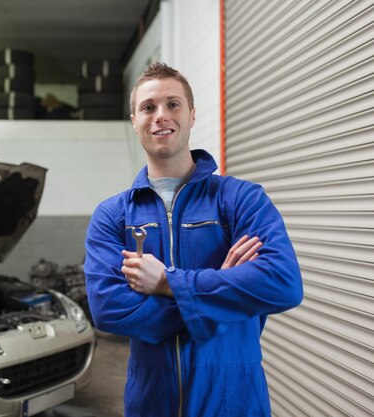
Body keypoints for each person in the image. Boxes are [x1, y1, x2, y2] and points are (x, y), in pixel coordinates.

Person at [84, 62, 303, 417]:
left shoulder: (240, 199)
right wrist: (224, 292)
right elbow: (109, 310)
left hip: (234, 403)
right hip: (151, 403)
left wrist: (168, 283)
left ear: (192, 114)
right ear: (134, 120)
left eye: (173, 104)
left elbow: (283, 283)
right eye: (148, 107)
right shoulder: (113, 215)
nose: (161, 116)